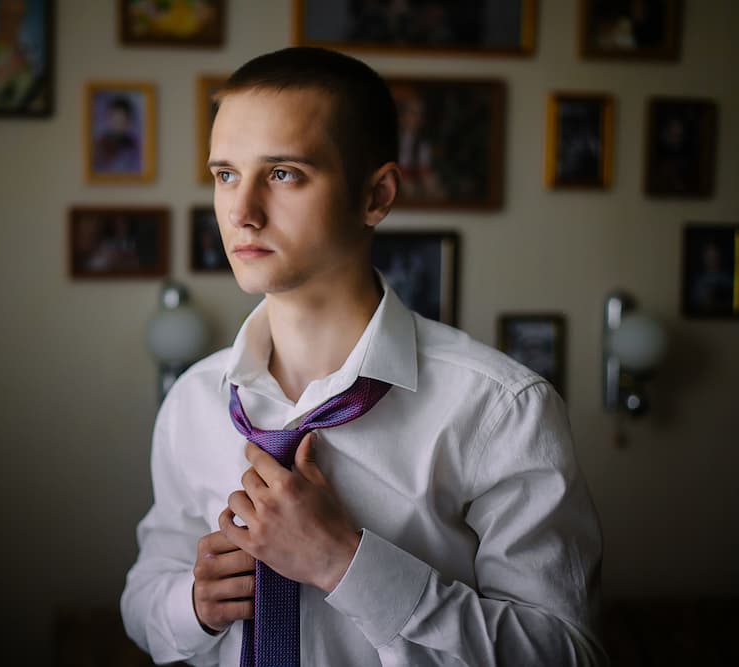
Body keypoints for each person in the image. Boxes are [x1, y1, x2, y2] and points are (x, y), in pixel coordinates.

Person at [121, 47, 607, 666]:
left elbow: (569, 655)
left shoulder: (499, 411)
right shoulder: (195, 398)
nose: (240, 213)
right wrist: (192, 606)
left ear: (376, 196)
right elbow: (142, 597)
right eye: (225, 175)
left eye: (283, 174)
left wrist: (344, 562)